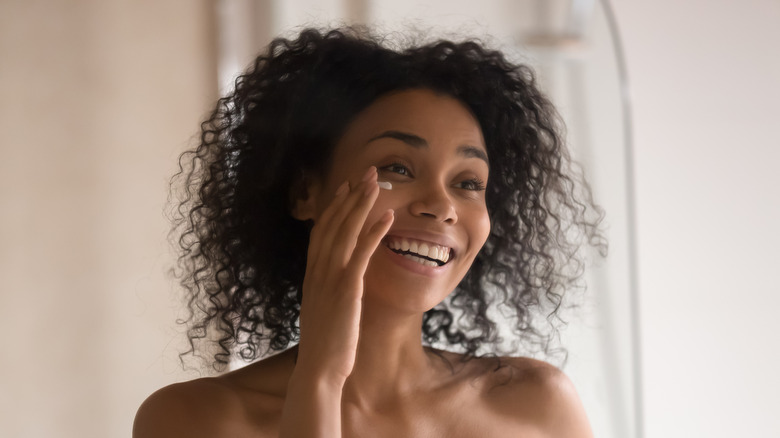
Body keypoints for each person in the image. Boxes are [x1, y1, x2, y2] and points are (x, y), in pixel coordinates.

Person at [133, 26, 605, 437]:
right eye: (398, 168)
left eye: (468, 183)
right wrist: (320, 378)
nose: (442, 207)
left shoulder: (537, 406)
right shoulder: (192, 421)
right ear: (305, 193)